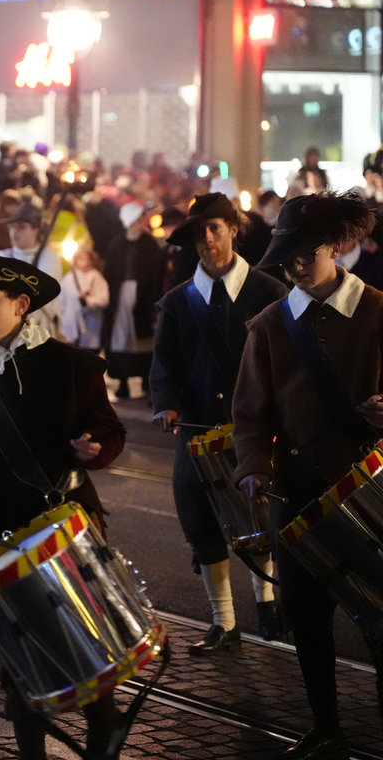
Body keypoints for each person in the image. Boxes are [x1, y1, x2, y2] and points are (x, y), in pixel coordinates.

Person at [0, 255, 126, 760]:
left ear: (21, 305)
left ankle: (105, 725)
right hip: (1, 530)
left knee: (85, 637)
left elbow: (109, 429)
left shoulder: (71, 364)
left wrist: (96, 446)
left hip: (69, 521)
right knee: (15, 656)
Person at [234, 192, 383, 760]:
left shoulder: (377, 310)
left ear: (338, 247)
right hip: (297, 494)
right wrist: (253, 466)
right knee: (307, 619)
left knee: (380, 617)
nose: (294, 267)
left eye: (306, 255)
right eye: (287, 257)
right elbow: (250, 413)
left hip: (370, 491)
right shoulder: (270, 325)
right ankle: (326, 727)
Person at [149, 193, 289, 652]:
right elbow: (164, 361)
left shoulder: (270, 292)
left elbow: (287, 359)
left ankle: (267, 601)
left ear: (234, 229)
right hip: (198, 431)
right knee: (199, 518)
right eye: (198, 232)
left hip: (254, 428)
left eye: (215, 228)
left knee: (260, 512)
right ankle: (223, 621)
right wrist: (165, 402)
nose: (207, 240)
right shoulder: (176, 301)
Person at [102, 201, 164, 399]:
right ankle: (122, 379)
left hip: (143, 296)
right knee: (121, 338)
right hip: (120, 296)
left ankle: (146, 379)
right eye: (136, 220)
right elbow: (110, 272)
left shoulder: (149, 244)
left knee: (143, 339)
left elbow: (156, 273)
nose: (140, 223)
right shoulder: (117, 244)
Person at [0, 201, 64, 338]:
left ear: (36, 230)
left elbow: (40, 291)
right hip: (6, 331)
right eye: (12, 227)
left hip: (39, 332)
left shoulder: (50, 258)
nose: (14, 232)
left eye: (21, 227)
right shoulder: (0, 257)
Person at [59, 247, 109, 350]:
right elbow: (60, 301)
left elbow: (103, 300)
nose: (81, 260)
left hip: (90, 328)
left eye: (84, 258)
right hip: (71, 328)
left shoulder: (96, 277)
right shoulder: (69, 278)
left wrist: (88, 301)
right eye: (79, 258)